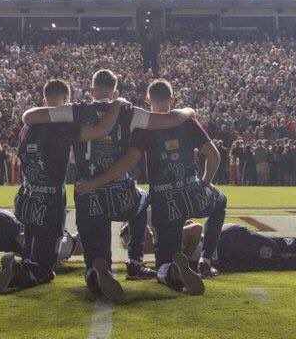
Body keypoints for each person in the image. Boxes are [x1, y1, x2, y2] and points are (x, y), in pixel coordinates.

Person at [21, 68, 196, 301]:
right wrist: (189, 110)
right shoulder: (129, 112)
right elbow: (170, 119)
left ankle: (97, 270)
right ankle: (136, 261)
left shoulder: (76, 110)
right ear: (115, 91)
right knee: (143, 198)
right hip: (122, 195)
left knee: (95, 247)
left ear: (92, 90)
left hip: (88, 195)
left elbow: (29, 116)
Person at [76, 79, 223, 296]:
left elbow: (130, 160)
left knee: (164, 257)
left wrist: (96, 182)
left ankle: (148, 265)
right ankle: (206, 260)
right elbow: (213, 155)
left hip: (164, 199)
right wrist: (206, 182)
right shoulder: (188, 122)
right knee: (220, 201)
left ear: (147, 100)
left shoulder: (144, 128)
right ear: (172, 99)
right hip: (192, 192)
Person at [0, 79, 126, 297]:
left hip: (26, 196)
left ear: (44, 98)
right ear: (66, 100)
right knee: (46, 267)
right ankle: (18, 272)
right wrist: (117, 104)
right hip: (51, 199)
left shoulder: (28, 125)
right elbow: (101, 130)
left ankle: (26, 261)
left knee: (34, 245)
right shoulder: (62, 126)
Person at [121, 221, 296, 273]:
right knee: (284, 260)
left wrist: (185, 261)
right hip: (228, 252)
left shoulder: (163, 233)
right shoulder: (159, 234)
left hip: (231, 242)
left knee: (286, 250)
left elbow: (194, 229)